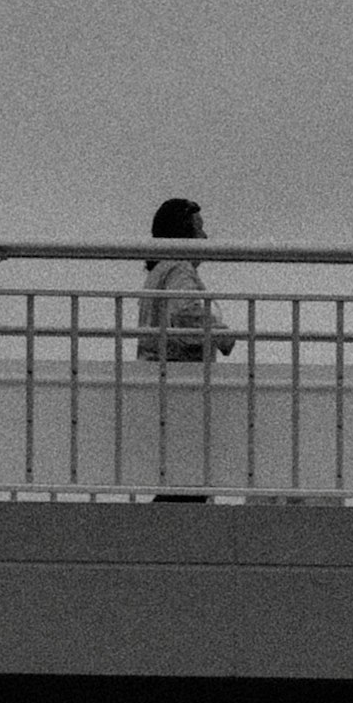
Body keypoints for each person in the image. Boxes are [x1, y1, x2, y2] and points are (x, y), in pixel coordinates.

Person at [134, 196, 237, 501]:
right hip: (181, 388)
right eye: (199, 230)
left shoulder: (158, 272)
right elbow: (186, 313)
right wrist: (222, 335)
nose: (205, 238)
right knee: (187, 483)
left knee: (174, 482)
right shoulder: (179, 269)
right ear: (184, 235)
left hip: (159, 384)